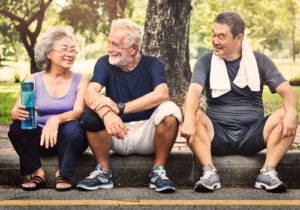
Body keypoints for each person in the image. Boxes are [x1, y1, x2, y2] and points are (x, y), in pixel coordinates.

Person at [181, 12, 298, 193]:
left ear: (239, 38)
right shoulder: (205, 61)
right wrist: (188, 119)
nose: (215, 40)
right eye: (213, 34)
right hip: (217, 135)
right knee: (191, 113)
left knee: (287, 114)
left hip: (252, 135)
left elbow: (287, 91)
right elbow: (193, 92)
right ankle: (209, 172)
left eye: (222, 36)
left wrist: (291, 112)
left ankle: (268, 172)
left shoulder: (259, 61)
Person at [76, 19, 181, 193]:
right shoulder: (105, 63)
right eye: (109, 42)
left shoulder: (153, 64)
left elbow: (162, 94)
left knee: (170, 110)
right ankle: (103, 172)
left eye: (115, 44)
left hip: (149, 134)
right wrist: (107, 114)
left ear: (133, 49)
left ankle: (158, 171)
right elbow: (90, 93)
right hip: (116, 132)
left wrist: (120, 108)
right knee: (90, 115)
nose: (109, 48)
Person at [8, 26, 89, 191]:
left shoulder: (81, 79)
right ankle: (37, 173)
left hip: (69, 140)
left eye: (73, 50)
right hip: (40, 139)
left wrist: (56, 119)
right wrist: (16, 113)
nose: (70, 54)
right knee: (16, 128)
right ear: (48, 53)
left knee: (73, 127)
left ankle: (63, 174)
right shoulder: (33, 79)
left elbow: (78, 111)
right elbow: (13, 112)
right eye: (64, 49)